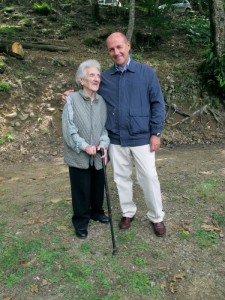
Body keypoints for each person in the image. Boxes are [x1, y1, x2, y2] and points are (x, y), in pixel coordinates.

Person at [63, 32, 166, 237]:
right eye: (111, 49)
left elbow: (158, 104)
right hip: (116, 140)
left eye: (119, 47)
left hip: (142, 138)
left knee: (148, 177)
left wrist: (156, 132)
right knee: (121, 178)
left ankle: (157, 217)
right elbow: (88, 90)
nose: (116, 52)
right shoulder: (106, 78)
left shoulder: (146, 73)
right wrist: (70, 95)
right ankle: (128, 212)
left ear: (128, 46)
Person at [62, 59, 110, 239]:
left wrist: (103, 145)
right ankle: (81, 221)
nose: (96, 78)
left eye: (98, 75)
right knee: (81, 188)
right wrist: (84, 146)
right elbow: (69, 129)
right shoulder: (71, 100)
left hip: (98, 154)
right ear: (81, 80)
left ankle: (97, 212)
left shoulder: (102, 101)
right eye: (92, 75)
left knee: (98, 185)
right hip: (79, 155)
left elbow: (105, 128)